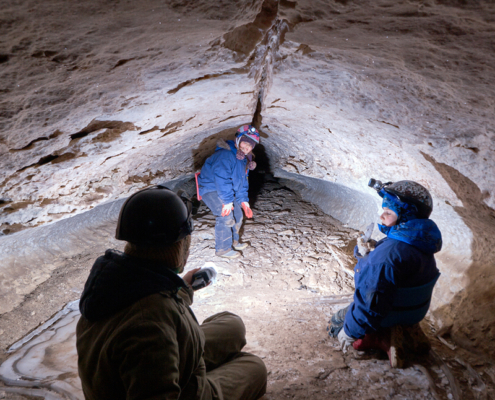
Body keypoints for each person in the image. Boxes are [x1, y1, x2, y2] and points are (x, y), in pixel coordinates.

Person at [76, 185, 267, 400]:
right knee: (254, 367)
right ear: (181, 244)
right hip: (186, 388)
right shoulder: (148, 326)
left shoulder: (116, 280)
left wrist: (182, 288)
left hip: (168, 358)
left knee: (232, 325)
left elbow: (150, 300)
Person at [327, 179, 442, 368]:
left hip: (390, 312)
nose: (382, 216)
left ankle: (379, 337)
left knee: (337, 321)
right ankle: (403, 331)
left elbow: (371, 302)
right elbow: (394, 264)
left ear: (406, 216)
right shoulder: (422, 240)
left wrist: (348, 331)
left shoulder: (387, 255)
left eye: (388, 212)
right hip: (415, 310)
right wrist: (367, 255)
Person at [197, 125, 260, 259]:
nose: (247, 147)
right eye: (245, 142)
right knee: (225, 215)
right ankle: (223, 249)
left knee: (237, 214)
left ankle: (234, 242)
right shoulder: (225, 154)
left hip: (224, 189)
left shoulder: (242, 160)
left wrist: (244, 201)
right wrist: (226, 202)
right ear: (237, 140)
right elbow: (221, 179)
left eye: (251, 145)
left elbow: (242, 183)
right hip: (211, 188)